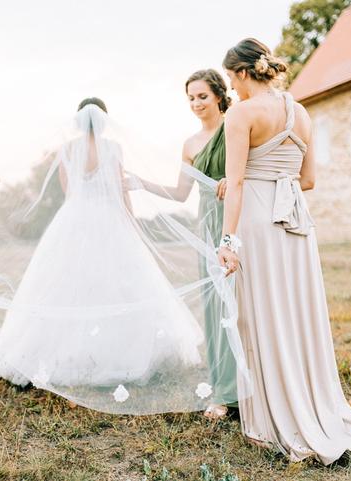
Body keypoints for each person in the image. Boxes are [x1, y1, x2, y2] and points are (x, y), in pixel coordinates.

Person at [217, 38, 351, 464]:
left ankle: (271, 421)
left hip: (258, 223)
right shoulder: (300, 113)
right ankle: (313, 404)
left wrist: (228, 241)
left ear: (243, 72)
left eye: (231, 78)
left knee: (262, 314)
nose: (232, 88)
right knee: (298, 313)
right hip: (296, 222)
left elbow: (238, 184)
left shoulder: (241, 114)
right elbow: (309, 180)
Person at [0, 98, 205, 389]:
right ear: (104, 121)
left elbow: (69, 191)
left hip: (74, 217)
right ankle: (119, 354)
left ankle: (57, 354)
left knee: (65, 283)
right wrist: (132, 223)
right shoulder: (113, 148)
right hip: (108, 216)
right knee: (118, 280)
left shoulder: (67, 149)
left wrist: (77, 213)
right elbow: (120, 189)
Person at [126, 70, 237, 419]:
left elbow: (252, 169)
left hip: (239, 218)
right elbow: (179, 193)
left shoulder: (236, 127)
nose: (196, 103)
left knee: (245, 301)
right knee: (216, 307)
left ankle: (256, 385)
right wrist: (141, 183)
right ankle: (225, 389)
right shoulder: (190, 144)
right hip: (208, 225)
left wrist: (234, 181)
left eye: (202, 96)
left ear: (218, 95)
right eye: (190, 98)